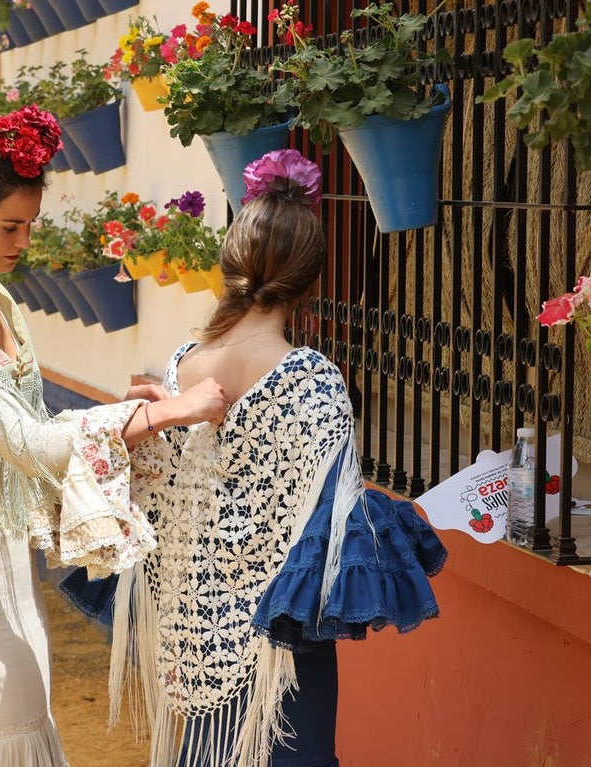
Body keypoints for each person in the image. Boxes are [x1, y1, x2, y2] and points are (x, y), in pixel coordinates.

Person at [0, 105, 228, 767]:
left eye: (29, 224)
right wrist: (168, 413)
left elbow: (35, 437)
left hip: (12, 568)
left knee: (23, 738)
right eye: (8, 225)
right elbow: (28, 444)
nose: (23, 240)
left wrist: (127, 416)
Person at [96, 150, 447, 767]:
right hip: (279, 652)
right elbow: (338, 531)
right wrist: (420, 520)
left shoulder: (182, 366)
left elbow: (162, 501)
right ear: (312, 282)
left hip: (196, 634)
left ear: (230, 263)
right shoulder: (310, 379)